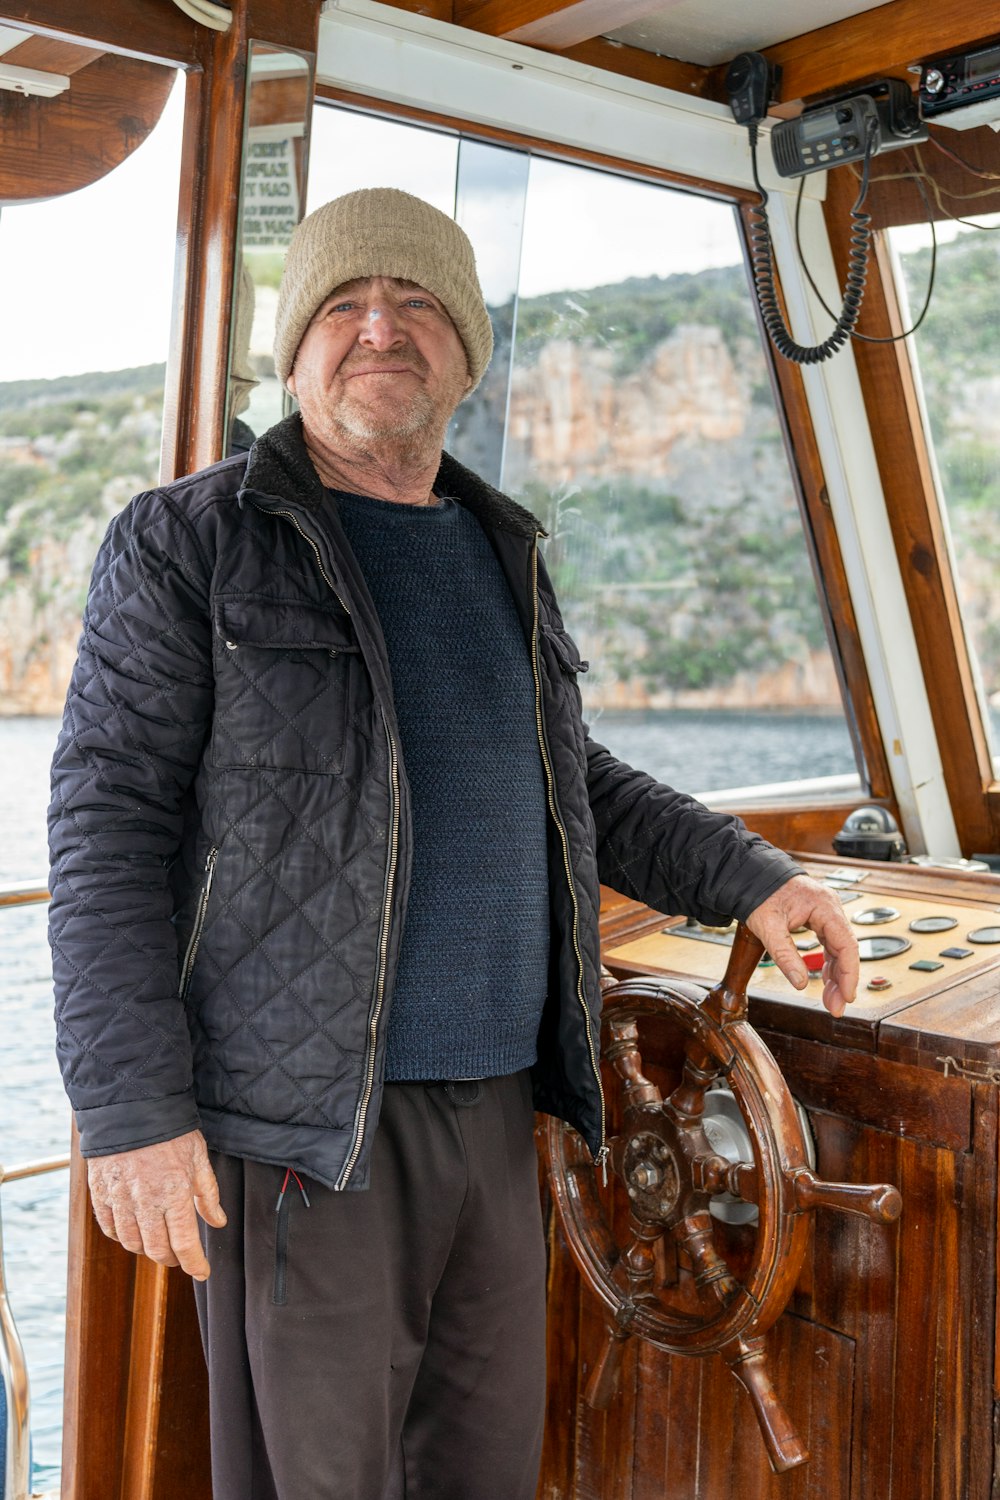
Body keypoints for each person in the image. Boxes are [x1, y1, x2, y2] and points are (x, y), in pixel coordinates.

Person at [48, 187, 859, 1500]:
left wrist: (752, 877)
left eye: (418, 302)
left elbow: (569, 779)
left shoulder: (501, 551)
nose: (381, 326)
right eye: (344, 304)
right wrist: (130, 1107)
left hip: (497, 1108)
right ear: (296, 349)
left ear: (467, 354)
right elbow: (105, 828)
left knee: (482, 1472)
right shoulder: (187, 542)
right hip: (308, 1128)